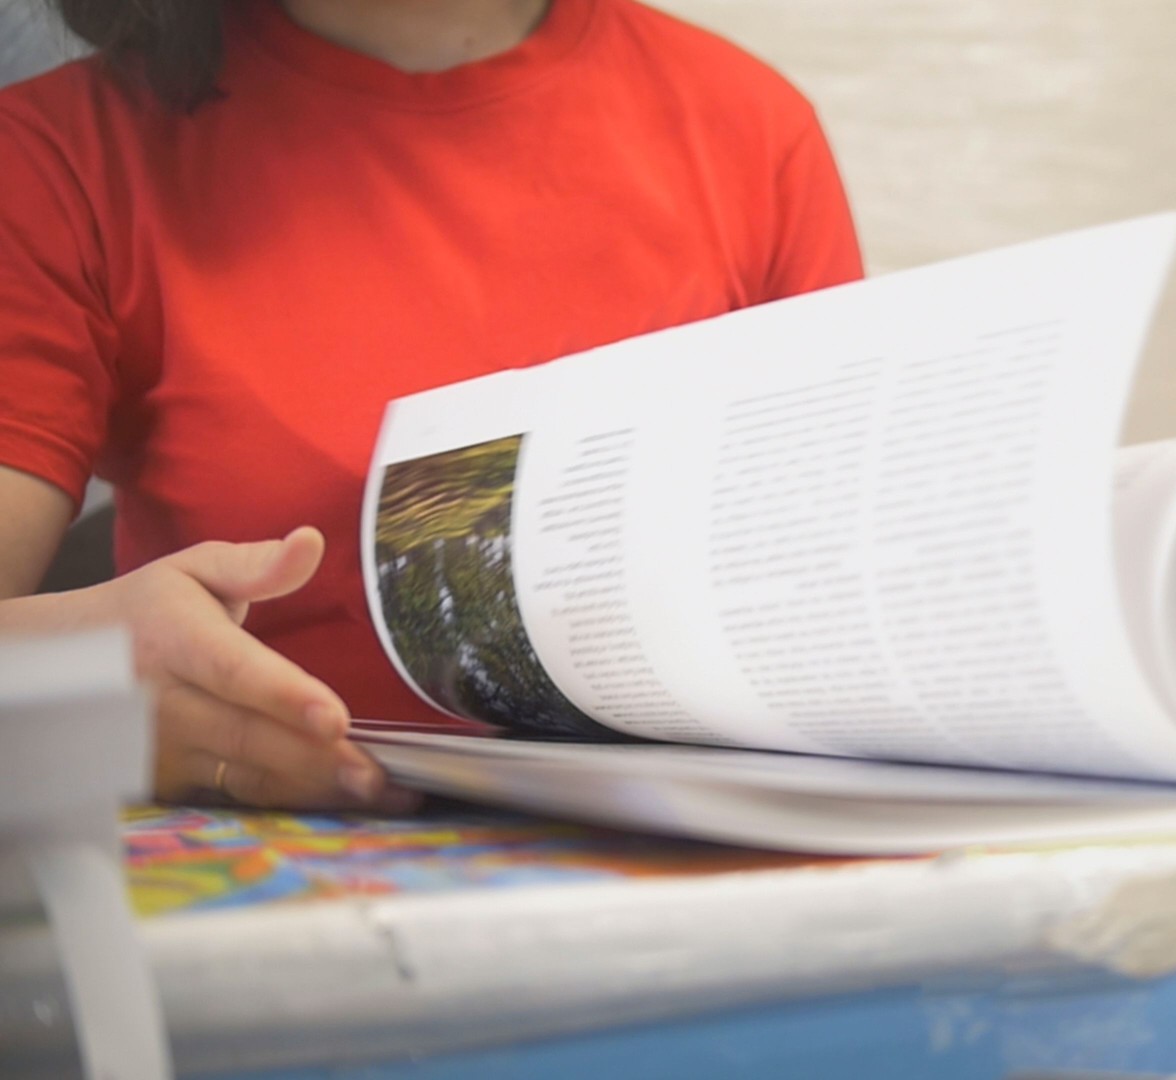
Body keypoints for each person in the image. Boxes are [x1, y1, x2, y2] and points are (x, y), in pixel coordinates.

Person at [0, 0, 864, 810]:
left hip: (703, 879)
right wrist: (69, 686)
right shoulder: (58, 156)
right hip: (271, 902)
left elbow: (832, 593)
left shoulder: (751, 129)